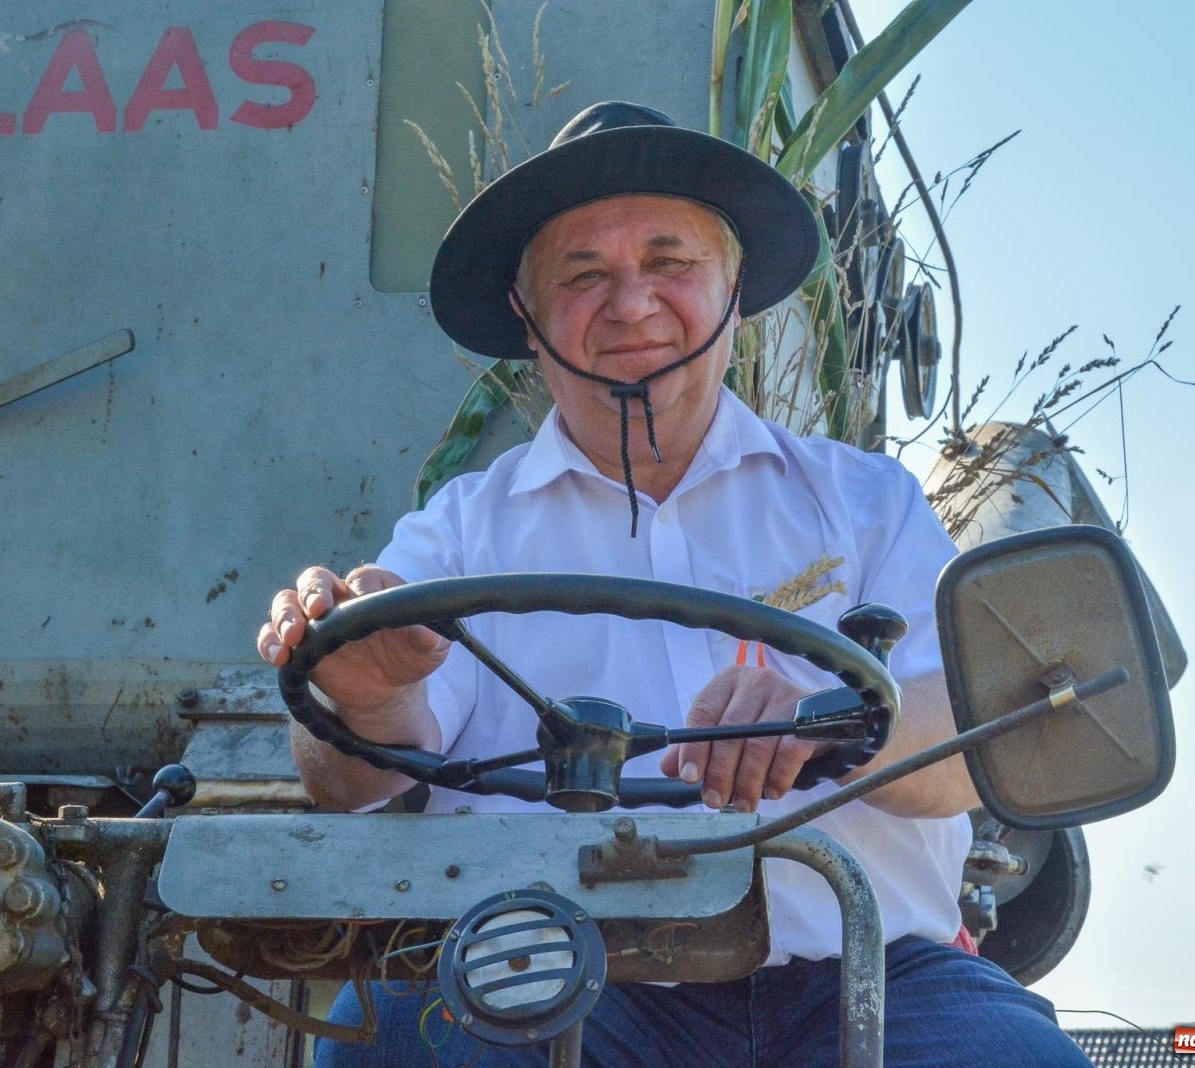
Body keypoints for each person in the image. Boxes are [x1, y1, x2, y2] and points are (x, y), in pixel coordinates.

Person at [258, 102, 1090, 1067]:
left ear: (733, 292)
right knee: (407, 1042)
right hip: (564, 973)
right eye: (583, 275)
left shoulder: (868, 503)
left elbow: (969, 746)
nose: (632, 304)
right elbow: (344, 783)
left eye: (668, 264)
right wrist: (366, 691)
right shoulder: (458, 534)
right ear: (528, 320)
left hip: (875, 976)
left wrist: (835, 718)